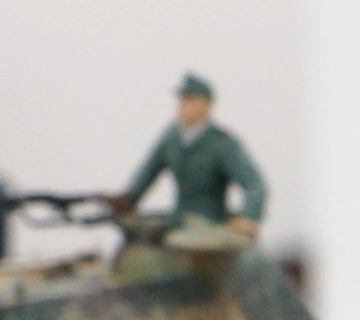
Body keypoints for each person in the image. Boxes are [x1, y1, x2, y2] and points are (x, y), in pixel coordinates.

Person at [112, 73, 267, 238]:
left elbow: (254, 184)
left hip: (210, 223)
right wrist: (125, 201)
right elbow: (148, 171)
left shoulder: (222, 143)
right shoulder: (172, 137)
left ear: (205, 105)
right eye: (182, 100)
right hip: (177, 220)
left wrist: (249, 216)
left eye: (189, 100)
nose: (182, 105)